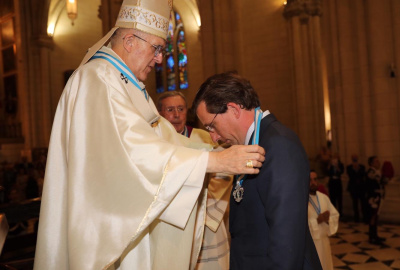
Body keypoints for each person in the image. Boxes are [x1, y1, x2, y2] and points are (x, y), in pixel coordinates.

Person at [33, 1, 265, 269]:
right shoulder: (98, 80)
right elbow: (131, 152)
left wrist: (213, 153)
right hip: (109, 228)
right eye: (157, 48)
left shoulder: (125, 83)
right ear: (130, 40)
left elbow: (164, 139)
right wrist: (214, 163)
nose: (159, 59)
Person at [193, 72, 322, 270]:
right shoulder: (251, 144)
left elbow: (286, 241)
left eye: (211, 126)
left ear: (234, 109)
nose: (213, 137)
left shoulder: (279, 146)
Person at [156, 90, 231, 270]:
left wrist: (199, 203)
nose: (176, 115)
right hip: (171, 220)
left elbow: (225, 174)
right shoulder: (155, 143)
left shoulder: (206, 137)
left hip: (206, 217)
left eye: (180, 109)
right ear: (160, 114)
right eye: (170, 109)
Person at [308, 170, 339, 270]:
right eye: (310, 180)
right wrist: (317, 221)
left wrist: (328, 219)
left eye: (315, 179)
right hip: (311, 245)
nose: (313, 183)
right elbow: (298, 226)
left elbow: (335, 215)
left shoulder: (323, 197)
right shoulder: (302, 200)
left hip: (324, 242)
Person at [365, 156, 385, 245]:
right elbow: (376, 180)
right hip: (373, 198)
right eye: (376, 161)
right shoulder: (371, 172)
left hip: (377, 196)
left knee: (376, 216)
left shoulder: (377, 172)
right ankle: (372, 237)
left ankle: (375, 235)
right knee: (373, 215)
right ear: (372, 163)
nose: (378, 163)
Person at [346, 154, 368, 223]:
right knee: (355, 203)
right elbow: (350, 175)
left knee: (363, 203)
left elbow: (363, 175)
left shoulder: (362, 167)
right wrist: (354, 168)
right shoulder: (349, 167)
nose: (355, 159)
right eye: (353, 158)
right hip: (353, 187)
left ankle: (365, 218)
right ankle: (356, 218)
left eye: (355, 158)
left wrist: (358, 168)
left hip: (361, 187)